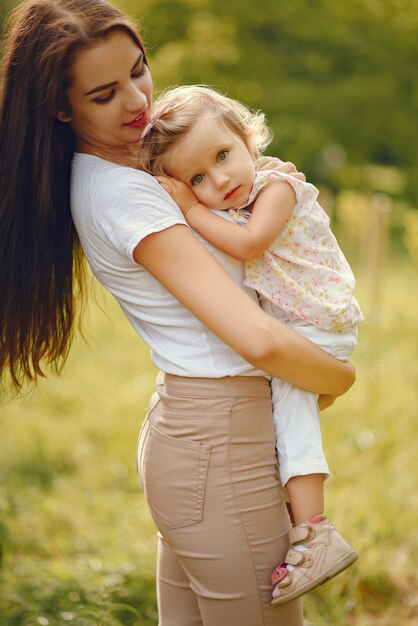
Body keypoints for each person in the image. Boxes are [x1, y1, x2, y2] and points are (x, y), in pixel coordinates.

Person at [0, 2, 356, 624]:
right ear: (61, 108)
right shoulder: (127, 196)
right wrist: (339, 377)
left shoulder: (130, 170)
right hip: (221, 441)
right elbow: (258, 341)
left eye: (139, 70)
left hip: (203, 436)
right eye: (105, 93)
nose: (138, 101)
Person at [139, 85, 363, 605]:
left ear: (247, 139)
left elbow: (248, 245)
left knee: (292, 418)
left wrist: (190, 207)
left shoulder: (278, 187)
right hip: (298, 321)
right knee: (288, 414)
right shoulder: (240, 198)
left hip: (316, 323)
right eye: (198, 177)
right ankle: (299, 522)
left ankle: (315, 531)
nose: (219, 180)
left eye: (223, 156)